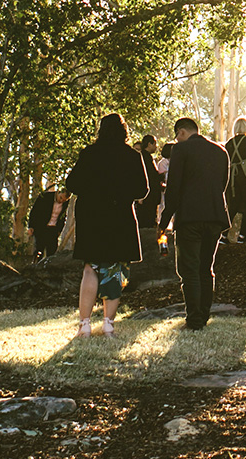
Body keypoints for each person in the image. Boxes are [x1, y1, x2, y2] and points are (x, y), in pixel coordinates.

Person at [64, 112, 149, 338]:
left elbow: (71, 183)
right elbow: (143, 189)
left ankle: (84, 325)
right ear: (124, 132)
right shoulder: (132, 156)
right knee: (114, 269)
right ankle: (108, 324)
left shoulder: (89, 153)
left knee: (90, 267)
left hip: (91, 215)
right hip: (119, 215)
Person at [160, 116, 231, 329]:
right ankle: (204, 314)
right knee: (206, 268)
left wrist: (164, 221)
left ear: (181, 132)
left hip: (189, 217)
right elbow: (222, 184)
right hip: (214, 216)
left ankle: (194, 319)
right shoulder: (221, 151)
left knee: (189, 269)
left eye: (177, 136)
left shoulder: (180, 150)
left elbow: (173, 190)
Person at [135, 134, 166, 257]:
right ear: (149, 144)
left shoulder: (147, 157)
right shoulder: (144, 158)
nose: (156, 147)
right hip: (147, 196)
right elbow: (150, 177)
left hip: (151, 195)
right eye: (154, 144)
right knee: (146, 220)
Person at [26, 187, 65, 262]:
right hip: (41, 228)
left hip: (53, 230)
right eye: (60, 198)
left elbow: (63, 217)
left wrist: (59, 230)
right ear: (58, 192)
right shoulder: (45, 196)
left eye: (64, 200)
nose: (61, 201)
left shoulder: (65, 203)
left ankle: (49, 271)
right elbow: (34, 211)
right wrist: (31, 226)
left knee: (52, 254)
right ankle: (34, 268)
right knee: (38, 250)